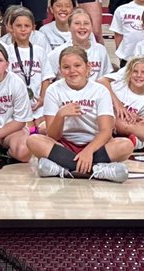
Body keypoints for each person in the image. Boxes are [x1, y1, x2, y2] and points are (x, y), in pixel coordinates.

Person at [29, 46, 132, 183]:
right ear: (60, 71)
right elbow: (53, 136)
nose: (72, 71)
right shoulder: (53, 90)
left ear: (87, 67)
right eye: (66, 67)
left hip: (95, 145)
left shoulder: (100, 91)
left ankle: (64, 169)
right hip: (64, 145)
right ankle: (96, 170)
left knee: (126, 145)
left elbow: (106, 131)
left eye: (77, 65)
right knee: (33, 140)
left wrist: (88, 151)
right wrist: (60, 115)